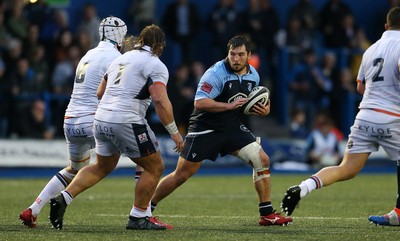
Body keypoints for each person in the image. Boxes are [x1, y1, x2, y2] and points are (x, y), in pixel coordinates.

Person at [48, 24, 184, 230]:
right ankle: (138, 217)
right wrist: (174, 133)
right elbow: (160, 100)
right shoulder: (156, 65)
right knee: (154, 166)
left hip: (101, 118)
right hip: (126, 119)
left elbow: (100, 92)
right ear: (159, 45)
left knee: (102, 166)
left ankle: (64, 197)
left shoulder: (120, 58)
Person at [150, 34, 293, 226]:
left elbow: (247, 103)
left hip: (232, 127)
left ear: (249, 55)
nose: (235, 59)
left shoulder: (254, 75)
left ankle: (266, 213)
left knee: (262, 159)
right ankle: (146, 208)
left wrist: (264, 110)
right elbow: (199, 102)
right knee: (182, 174)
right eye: (232, 54)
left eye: (241, 55)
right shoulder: (215, 73)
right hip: (205, 127)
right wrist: (227, 106)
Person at [281, 7, 400, 227]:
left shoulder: (370, 50)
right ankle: (399, 212)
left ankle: (304, 186)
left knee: (346, 168)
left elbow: (360, 88)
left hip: (364, 116)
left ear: (386, 26)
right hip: (392, 116)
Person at [19, 16, 127, 228]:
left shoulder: (88, 54)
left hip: (70, 120)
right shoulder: (115, 58)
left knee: (74, 169)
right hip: (93, 121)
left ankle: (33, 209)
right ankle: (142, 213)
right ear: (119, 35)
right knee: (144, 158)